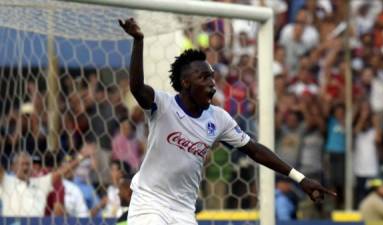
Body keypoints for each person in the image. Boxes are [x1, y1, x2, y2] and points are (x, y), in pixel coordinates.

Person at [119, 18, 336, 225]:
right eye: (204, 78)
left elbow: (255, 150)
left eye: (212, 77)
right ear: (185, 83)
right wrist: (138, 42)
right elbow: (137, 88)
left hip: (183, 209)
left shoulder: (218, 118)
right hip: (150, 202)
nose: (212, 84)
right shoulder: (163, 105)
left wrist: (301, 178)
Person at [0, 144, 94, 217]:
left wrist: (81, 157)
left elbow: (61, 172)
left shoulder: (40, 183)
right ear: (13, 167)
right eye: (22, 164)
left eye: (28, 164)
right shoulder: (7, 182)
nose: (26, 167)